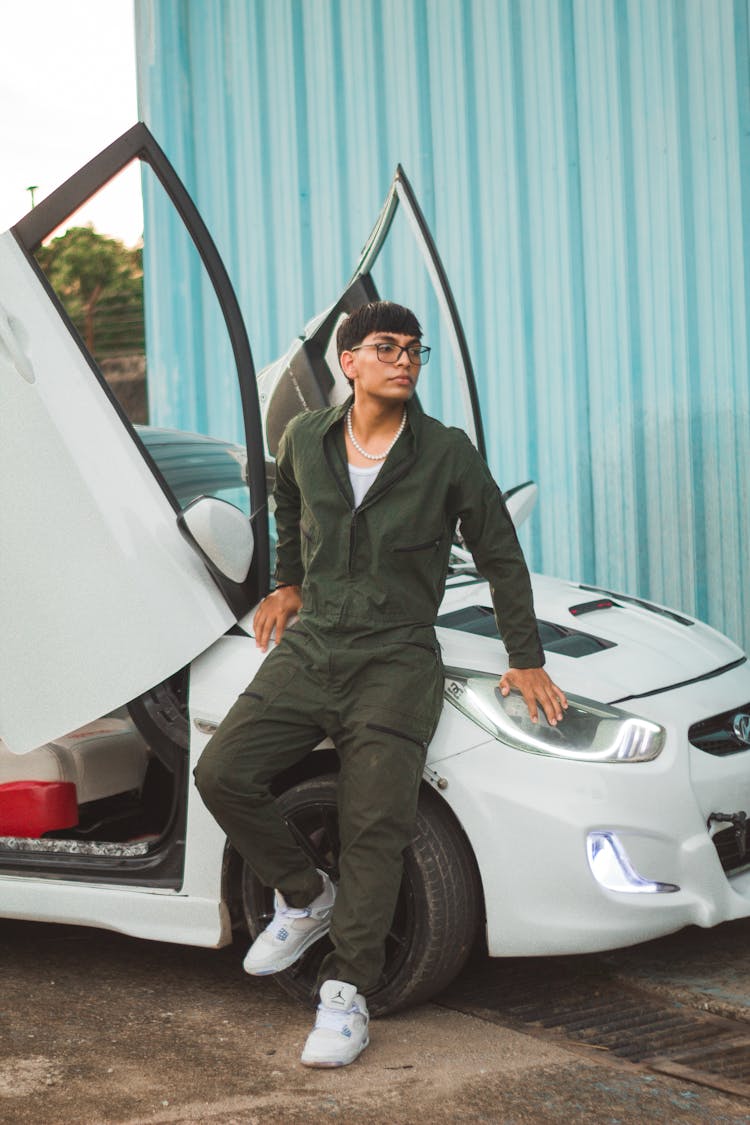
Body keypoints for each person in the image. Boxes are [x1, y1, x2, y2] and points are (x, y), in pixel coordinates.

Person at [194, 301, 567, 1068]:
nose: (405, 360)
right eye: (387, 347)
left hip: (397, 656)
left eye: (415, 350)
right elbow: (290, 504)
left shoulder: (446, 452)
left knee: (375, 822)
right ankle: (304, 894)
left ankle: (345, 993)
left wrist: (525, 655)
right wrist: (290, 580)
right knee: (222, 770)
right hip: (316, 644)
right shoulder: (304, 438)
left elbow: (499, 553)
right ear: (350, 362)